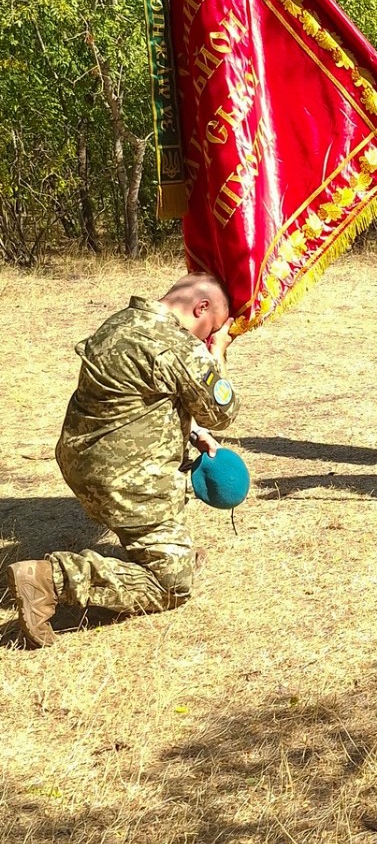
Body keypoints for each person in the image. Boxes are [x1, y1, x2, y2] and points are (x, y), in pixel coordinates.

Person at [4, 274, 240, 646]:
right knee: (171, 586)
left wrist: (191, 430)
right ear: (201, 308)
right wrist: (218, 353)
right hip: (127, 478)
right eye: (207, 329)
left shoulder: (120, 322)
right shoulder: (179, 346)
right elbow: (222, 412)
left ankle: (164, 546)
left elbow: (136, 396)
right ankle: (48, 580)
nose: (204, 339)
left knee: (161, 526)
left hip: (81, 461)